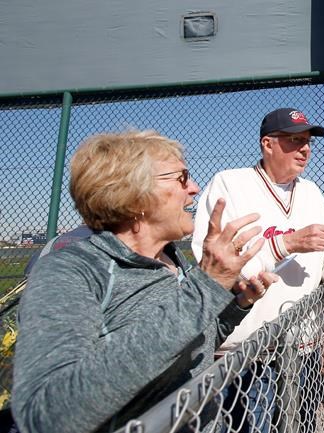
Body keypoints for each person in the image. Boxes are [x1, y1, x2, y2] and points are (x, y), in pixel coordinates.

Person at [11, 130, 277, 433]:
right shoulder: (72, 270)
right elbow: (48, 416)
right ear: (134, 193)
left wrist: (235, 304)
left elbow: (191, 345)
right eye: (181, 177)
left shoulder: (170, 259)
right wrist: (205, 287)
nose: (194, 188)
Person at [192, 108, 324, 432]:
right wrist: (287, 244)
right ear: (267, 144)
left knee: (302, 425)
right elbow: (221, 272)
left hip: (305, 347)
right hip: (249, 355)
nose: (306, 149)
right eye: (295, 140)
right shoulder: (229, 184)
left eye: (308, 141)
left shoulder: (312, 192)